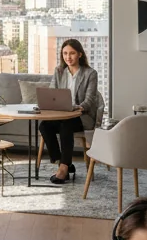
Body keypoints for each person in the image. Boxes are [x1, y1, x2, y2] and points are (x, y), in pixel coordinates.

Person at [39, 37, 101, 185]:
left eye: (72, 53)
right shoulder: (59, 71)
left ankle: (63, 170)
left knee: (66, 126)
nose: (68, 57)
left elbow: (90, 99)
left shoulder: (90, 73)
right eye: (65, 53)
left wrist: (79, 107)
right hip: (62, 115)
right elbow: (52, 93)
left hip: (82, 116)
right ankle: (63, 162)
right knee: (44, 126)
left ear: (80, 54)